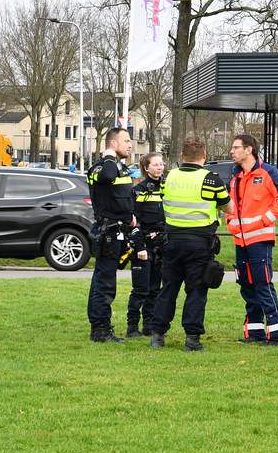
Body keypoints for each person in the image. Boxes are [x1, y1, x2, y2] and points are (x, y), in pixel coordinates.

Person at [148, 138, 229, 351]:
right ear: (205, 157)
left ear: (182, 156)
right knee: (196, 289)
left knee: (169, 288)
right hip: (200, 242)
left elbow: (165, 199)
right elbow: (227, 207)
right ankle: (192, 339)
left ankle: (157, 334)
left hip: (172, 240)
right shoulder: (211, 179)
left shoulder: (169, 177)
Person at [226, 133, 278, 346]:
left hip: (259, 240)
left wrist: (264, 220)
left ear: (249, 150)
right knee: (246, 285)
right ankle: (254, 332)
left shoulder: (268, 172)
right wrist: (231, 223)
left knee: (263, 284)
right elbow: (230, 206)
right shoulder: (235, 177)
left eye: (236, 147)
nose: (232, 151)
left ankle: (275, 333)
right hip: (240, 241)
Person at [85, 127, 136, 342]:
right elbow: (106, 176)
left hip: (119, 232)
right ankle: (100, 330)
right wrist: (108, 157)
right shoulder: (101, 168)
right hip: (107, 233)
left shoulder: (120, 168)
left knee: (104, 281)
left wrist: (131, 217)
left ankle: (101, 327)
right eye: (126, 140)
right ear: (113, 144)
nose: (130, 144)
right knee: (104, 283)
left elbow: (122, 197)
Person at [124, 152, 167, 338]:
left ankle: (149, 325)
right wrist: (139, 247)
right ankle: (132, 326)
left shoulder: (168, 188)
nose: (160, 167)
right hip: (143, 244)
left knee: (155, 289)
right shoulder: (139, 190)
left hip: (161, 245)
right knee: (141, 288)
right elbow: (134, 222)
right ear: (146, 167)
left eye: (161, 164)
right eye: (156, 164)